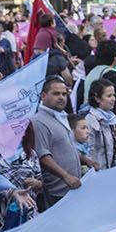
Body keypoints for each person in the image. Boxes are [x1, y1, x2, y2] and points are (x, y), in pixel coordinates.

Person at [31, 77, 82, 212]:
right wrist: (66, 176)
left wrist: (87, 161)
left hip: (71, 188)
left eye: (64, 94)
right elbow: (43, 156)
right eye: (56, 94)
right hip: (57, 191)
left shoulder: (61, 117)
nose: (61, 97)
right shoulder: (39, 121)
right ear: (43, 96)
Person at [84, 78, 116, 170]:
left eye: (114, 95)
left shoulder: (111, 119)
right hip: (98, 172)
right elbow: (89, 150)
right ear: (97, 98)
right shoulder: (90, 120)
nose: (113, 99)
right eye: (109, 96)